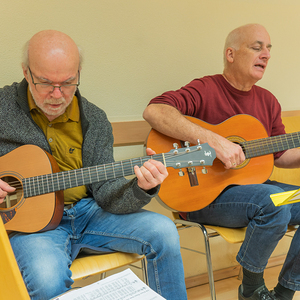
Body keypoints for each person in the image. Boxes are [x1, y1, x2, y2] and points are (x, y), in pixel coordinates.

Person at [0, 30, 188, 300]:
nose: (57, 94)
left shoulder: (95, 119)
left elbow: (108, 194)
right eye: (45, 83)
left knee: (164, 231)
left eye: (68, 82)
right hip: (31, 228)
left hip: (90, 213)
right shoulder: (2, 106)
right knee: (45, 277)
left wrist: (142, 188)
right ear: (26, 73)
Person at [143, 23, 300, 300]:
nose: (266, 54)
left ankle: (285, 291)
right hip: (202, 196)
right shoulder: (206, 88)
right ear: (231, 54)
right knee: (275, 200)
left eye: (269, 49)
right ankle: (251, 290)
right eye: (257, 47)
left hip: (253, 190)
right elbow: (155, 111)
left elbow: (281, 156)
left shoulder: (268, 101)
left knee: (287, 198)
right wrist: (214, 141)